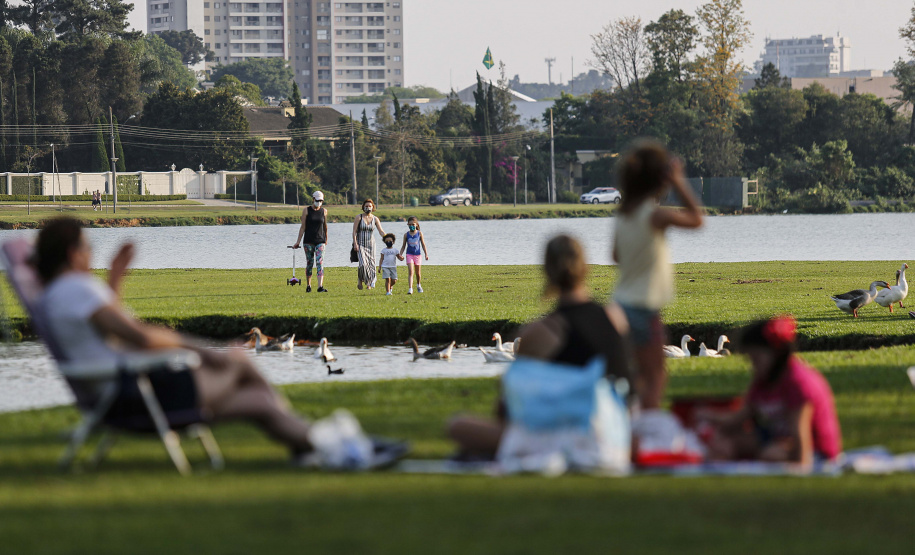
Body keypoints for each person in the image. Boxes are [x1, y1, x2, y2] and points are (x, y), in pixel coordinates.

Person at [33, 217, 398, 468]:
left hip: (124, 393)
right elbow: (138, 336)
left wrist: (113, 282)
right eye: (86, 245)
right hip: (138, 395)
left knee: (258, 401)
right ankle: (338, 448)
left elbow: (106, 334)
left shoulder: (60, 294)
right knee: (237, 360)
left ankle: (320, 447)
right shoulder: (76, 289)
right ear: (72, 253)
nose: (90, 252)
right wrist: (200, 350)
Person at [447, 235, 633, 459]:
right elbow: (630, 386)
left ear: (547, 271)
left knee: (457, 426)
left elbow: (508, 408)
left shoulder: (541, 332)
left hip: (570, 438)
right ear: (585, 267)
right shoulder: (616, 318)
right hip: (618, 436)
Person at [612, 139, 703, 410]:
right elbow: (697, 219)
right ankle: (646, 430)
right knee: (655, 377)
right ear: (659, 179)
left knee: (632, 376)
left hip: (620, 304)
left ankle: (628, 425)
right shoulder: (655, 216)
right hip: (644, 307)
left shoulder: (624, 215)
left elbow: (616, 256)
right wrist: (679, 181)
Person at [699, 316, 842, 466]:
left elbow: (801, 437)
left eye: (756, 358)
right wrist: (709, 416)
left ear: (777, 354)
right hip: (776, 441)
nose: (753, 365)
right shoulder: (763, 380)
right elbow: (739, 418)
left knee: (771, 455)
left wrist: (800, 469)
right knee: (725, 443)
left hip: (815, 452)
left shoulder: (798, 383)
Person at [292, 190, 329, 293]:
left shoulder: (324, 211)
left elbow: (325, 226)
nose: (319, 202)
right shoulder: (306, 211)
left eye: (321, 201)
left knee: (319, 262)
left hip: (320, 240)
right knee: (309, 262)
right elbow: (303, 227)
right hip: (308, 241)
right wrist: (298, 242)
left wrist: (326, 238)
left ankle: (320, 286)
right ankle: (308, 285)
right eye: (317, 200)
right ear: (313, 199)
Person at [352, 198, 387, 290]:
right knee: (363, 263)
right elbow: (354, 232)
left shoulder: (375, 219)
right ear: (363, 207)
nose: (368, 208)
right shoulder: (359, 217)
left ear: (373, 207)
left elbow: (381, 231)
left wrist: (386, 238)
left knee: (371, 264)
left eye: (370, 206)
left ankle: (368, 283)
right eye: (366, 206)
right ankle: (361, 279)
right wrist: (355, 243)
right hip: (360, 244)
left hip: (371, 244)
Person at [399, 216, 429, 295]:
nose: (411, 226)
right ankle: (410, 288)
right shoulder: (406, 235)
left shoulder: (419, 233)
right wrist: (400, 254)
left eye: (413, 224)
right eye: (410, 224)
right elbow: (403, 246)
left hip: (417, 255)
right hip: (409, 255)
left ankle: (419, 285)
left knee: (418, 273)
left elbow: (423, 244)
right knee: (411, 271)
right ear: (408, 225)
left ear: (416, 224)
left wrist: (426, 254)